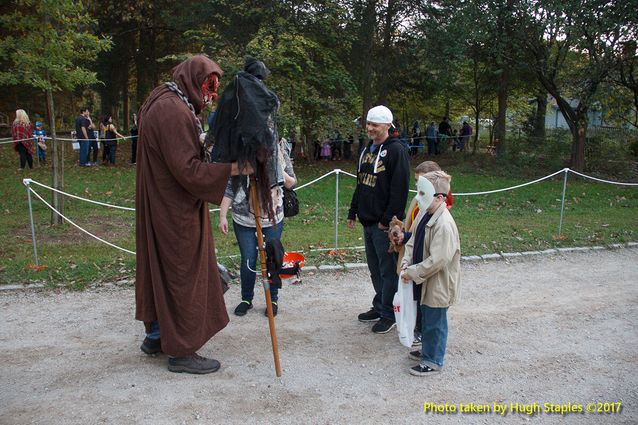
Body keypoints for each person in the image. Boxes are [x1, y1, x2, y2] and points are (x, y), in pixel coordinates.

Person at [135, 54, 249, 374]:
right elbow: (189, 171)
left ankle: (157, 335)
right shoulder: (171, 110)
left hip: (162, 203)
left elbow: (181, 152)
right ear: (192, 80)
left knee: (162, 268)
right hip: (174, 210)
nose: (209, 98)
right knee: (181, 272)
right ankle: (182, 350)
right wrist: (237, 168)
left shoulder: (166, 100)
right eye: (207, 89)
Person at [347, 105, 410, 334]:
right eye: (369, 124)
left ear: (387, 125)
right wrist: (353, 211)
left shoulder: (396, 151)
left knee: (387, 270)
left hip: (383, 224)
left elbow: (400, 189)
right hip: (367, 221)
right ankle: (380, 304)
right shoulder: (366, 149)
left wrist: (387, 220)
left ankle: (389, 313)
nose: (370, 128)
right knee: (375, 269)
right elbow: (361, 182)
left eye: (375, 124)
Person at [219, 138, 296, 317]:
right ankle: (246, 298)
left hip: (272, 218)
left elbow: (292, 182)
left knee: (272, 257)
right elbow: (230, 188)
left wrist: (276, 168)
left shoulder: (279, 151)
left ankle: (272, 299)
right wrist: (222, 215)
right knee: (248, 259)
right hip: (243, 219)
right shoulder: (240, 154)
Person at [400, 170, 461, 376]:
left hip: (438, 283)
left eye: (423, 194)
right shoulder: (425, 213)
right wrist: (406, 262)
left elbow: (438, 260)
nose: (418, 198)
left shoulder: (444, 224)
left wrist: (413, 271)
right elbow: (412, 241)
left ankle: (434, 360)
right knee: (426, 316)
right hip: (423, 279)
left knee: (435, 320)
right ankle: (427, 349)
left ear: (440, 197)